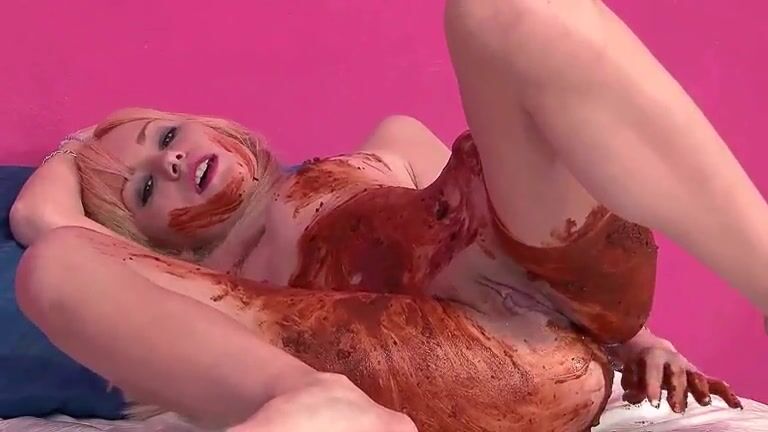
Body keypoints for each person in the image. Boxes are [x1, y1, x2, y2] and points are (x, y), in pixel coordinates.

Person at [8, 0, 765, 431]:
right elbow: (43, 220)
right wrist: (78, 148)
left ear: (215, 125)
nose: (168, 162)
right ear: (148, 240)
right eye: (144, 191)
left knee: (503, 8)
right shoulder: (197, 282)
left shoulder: (386, 150)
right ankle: (316, 405)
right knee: (52, 265)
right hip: (455, 373)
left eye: (166, 135)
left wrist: (640, 339)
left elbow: (512, 201)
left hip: (559, 298)